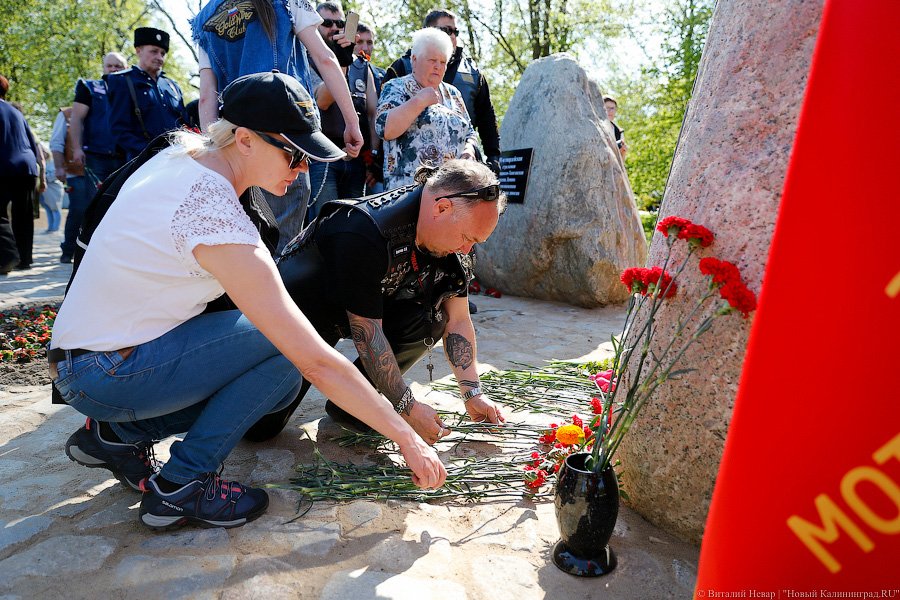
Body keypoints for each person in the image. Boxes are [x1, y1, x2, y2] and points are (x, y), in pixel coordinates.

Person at [50, 71, 445, 531]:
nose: (303, 169)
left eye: (309, 157)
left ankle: (120, 435)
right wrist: (404, 436)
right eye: (294, 154)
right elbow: (315, 360)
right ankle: (181, 486)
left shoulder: (180, 155)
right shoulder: (216, 218)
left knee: (278, 369)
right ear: (244, 139)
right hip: (106, 372)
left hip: (86, 358)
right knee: (288, 349)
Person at [244, 159, 507, 444]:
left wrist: (473, 393)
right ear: (442, 207)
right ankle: (360, 400)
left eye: (475, 242)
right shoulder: (363, 230)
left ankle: (354, 409)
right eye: (467, 237)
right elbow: (367, 335)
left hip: (367, 309)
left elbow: (457, 319)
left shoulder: (453, 243)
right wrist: (407, 407)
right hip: (302, 318)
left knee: (431, 318)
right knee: (260, 430)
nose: (467, 249)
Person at [192, 0, 364, 253]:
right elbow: (325, 58)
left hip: (233, 143)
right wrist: (352, 121)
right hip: (283, 137)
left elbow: (207, 94)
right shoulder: (286, 2)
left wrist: (214, 153)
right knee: (280, 246)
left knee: (238, 241)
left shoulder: (204, 17)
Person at [383, 9, 501, 174]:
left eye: (455, 31)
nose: (452, 36)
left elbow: (483, 120)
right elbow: (383, 126)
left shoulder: (470, 75)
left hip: (453, 180)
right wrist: (419, 101)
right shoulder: (400, 70)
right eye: (446, 30)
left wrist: (490, 154)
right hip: (409, 183)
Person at [376, 27, 477, 189]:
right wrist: (418, 102)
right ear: (414, 60)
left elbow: (470, 132)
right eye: (432, 60)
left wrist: (469, 150)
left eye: (443, 62)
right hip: (408, 192)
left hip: (450, 190)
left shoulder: (453, 93)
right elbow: (384, 129)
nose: (438, 66)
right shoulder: (396, 87)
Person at [305, 3, 378, 222]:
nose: (334, 28)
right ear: (314, 25)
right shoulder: (306, 59)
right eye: (327, 23)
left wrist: (372, 158)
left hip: (356, 161)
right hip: (322, 158)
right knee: (325, 226)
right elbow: (322, 101)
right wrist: (340, 65)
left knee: (354, 227)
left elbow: (372, 113)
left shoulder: (362, 66)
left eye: (340, 24)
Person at [59, 52, 128, 263]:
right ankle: (80, 253)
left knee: (120, 207)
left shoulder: (131, 88)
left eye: (118, 66)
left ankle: (113, 254)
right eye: (110, 66)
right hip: (96, 157)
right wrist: (77, 148)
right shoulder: (89, 87)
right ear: (103, 67)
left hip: (125, 156)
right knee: (91, 207)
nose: (114, 69)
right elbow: (77, 120)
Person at [107, 27, 188, 162]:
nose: (159, 57)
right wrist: (149, 152)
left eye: (162, 53)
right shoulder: (122, 81)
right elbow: (119, 129)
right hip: (143, 162)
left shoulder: (172, 85)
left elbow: (183, 123)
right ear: (138, 51)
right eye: (154, 51)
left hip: (177, 159)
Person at [0, 76, 45, 273]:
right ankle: (25, 259)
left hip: (4, 166)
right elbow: (32, 142)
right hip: (26, 167)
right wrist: (40, 172)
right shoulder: (15, 112)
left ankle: (7, 258)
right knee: (24, 215)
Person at [354, 22, 387, 195]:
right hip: (351, 159)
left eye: (370, 42)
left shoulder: (383, 77)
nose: (365, 48)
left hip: (378, 165)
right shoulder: (340, 73)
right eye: (360, 42)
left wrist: (374, 162)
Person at [38, 142, 64, 233]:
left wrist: (44, 176)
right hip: (45, 190)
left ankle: (55, 228)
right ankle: (50, 227)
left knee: (55, 208)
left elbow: (54, 175)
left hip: (54, 189)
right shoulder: (41, 162)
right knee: (48, 209)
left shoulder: (52, 162)